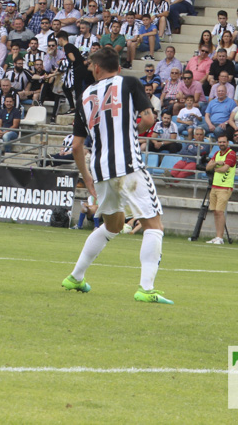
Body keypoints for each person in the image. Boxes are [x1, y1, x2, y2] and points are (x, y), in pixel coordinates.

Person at [62, 46, 172, 304]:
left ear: (97, 68)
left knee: (111, 226)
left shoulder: (85, 94)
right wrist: (132, 130)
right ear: (118, 68)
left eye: (90, 66)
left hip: (100, 170)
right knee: (154, 226)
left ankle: (76, 277)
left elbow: (77, 146)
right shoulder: (130, 82)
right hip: (128, 166)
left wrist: (86, 177)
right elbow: (148, 119)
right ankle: (146, 288)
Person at [204, 135, 236, 245]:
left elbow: (225, 168)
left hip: (225, 186)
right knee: (215, 212)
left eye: (223, 142)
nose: (221, 144)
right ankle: (217, 236)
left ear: (227, 142)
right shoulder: (217, 154)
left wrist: (214, 168)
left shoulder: (231, 153)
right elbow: (207, 167)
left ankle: (220, 237)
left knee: (220, 212)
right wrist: (216, 163)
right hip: (215, 186)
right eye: (220, 142)